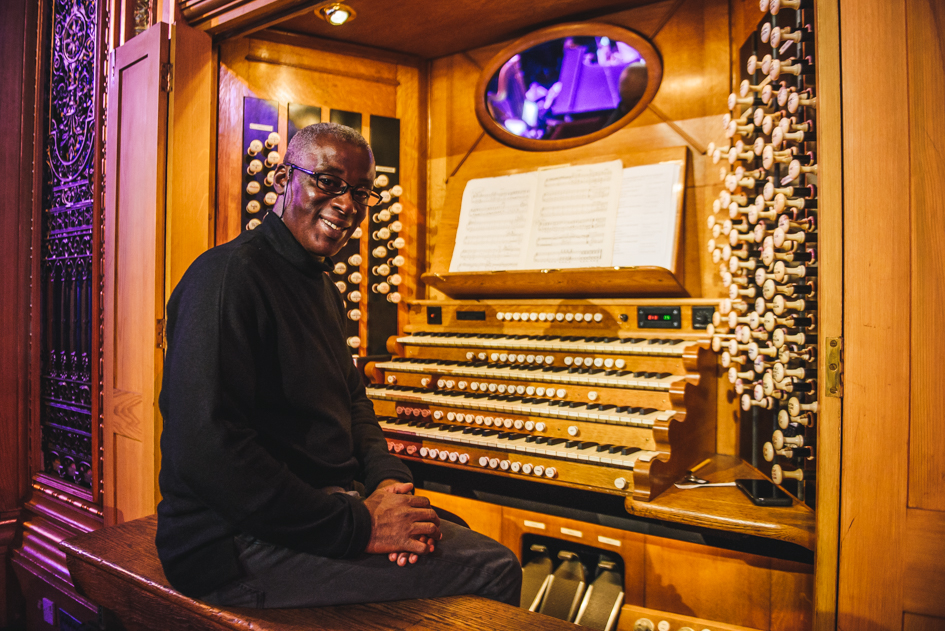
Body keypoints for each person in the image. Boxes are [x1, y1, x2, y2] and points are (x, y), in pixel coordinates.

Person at [155, 122, 522, 608]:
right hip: (230, 543)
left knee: (445, 531)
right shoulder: (226, 278)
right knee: (493, 567)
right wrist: (361, 527)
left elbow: (352, 401)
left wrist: (386, 480)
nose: (347, 205)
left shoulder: (321, 286)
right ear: (283, 179)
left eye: (361, 192)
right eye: (327, 181)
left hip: (314, 507)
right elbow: (210, 452)